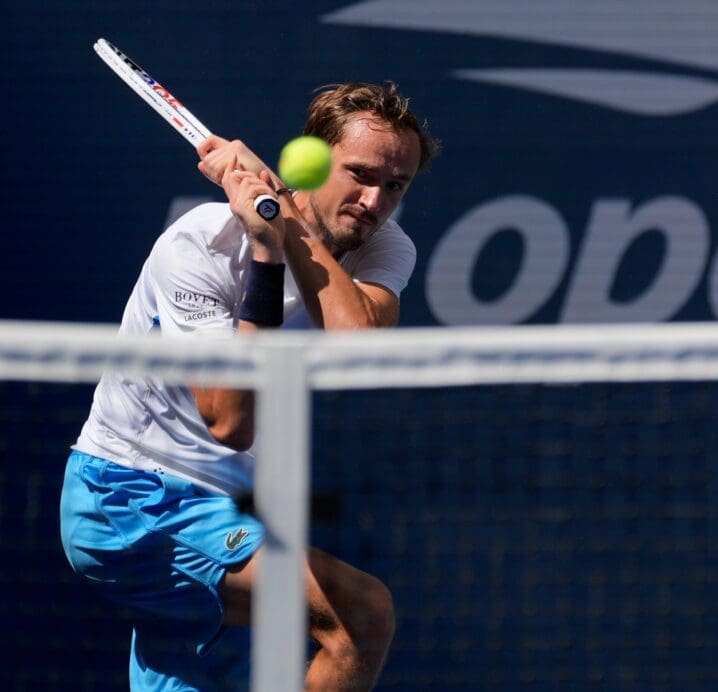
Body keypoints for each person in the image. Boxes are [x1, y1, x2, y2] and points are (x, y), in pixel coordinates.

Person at [59, 81, 439, 690]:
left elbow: (355, 341)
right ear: (310, 159)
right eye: (360, 174)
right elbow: (230, 421)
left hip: (226, 506)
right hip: (127, 499)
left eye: (396, 185)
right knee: (361, 616)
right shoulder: (201, 243)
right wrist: (266, 252)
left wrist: (284, 220)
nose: (374, 201)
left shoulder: (385, 247)